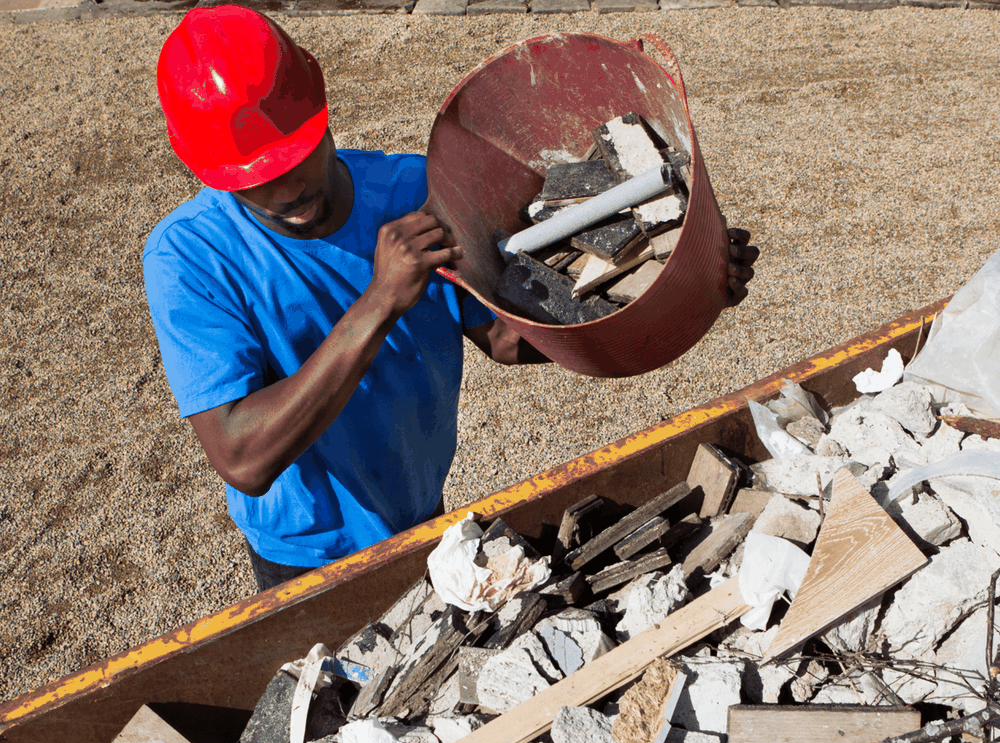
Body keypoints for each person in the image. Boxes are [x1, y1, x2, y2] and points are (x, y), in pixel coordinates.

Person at [144, 6, 759, 592]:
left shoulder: (413, 190)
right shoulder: (190, 258)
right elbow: (243, 457)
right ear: (210, 174)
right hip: (306, 554)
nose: (286, 188)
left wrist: (674, 285)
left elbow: (505, 337)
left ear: (323, 115)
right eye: (253, 180)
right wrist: (380, 299)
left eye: (297, 154)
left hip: (425, 510)